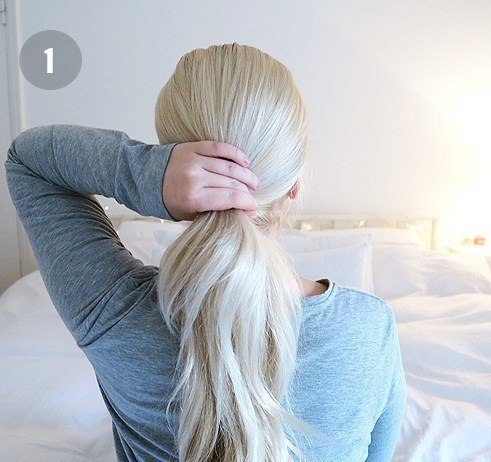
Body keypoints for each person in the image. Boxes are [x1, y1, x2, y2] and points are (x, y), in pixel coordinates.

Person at [5, 43, 406, 461]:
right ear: (294, 184)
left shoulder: (115, 312)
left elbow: (29, 160)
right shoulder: (369, 329)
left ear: (177, 168)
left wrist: (147, 174)